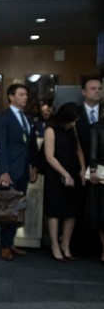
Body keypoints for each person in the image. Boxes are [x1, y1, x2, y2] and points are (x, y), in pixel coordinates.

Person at [0, 83, 39, 261]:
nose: (25, 97)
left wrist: (34, 166)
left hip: (23, 170)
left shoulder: (26, 118)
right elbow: (0, 147)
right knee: (7, 208)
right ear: (11, 97)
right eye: (21, 94)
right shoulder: (3, 118)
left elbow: (31, 145)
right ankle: (4, 245)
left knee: (17, 208)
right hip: (9, 171)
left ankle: (10, 242)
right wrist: (4, 172)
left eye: (26, 94)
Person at [43, 102, 85, 261]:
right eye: (71, 121)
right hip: (56, 174)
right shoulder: (51, 130)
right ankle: (55, 245)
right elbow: (49, 156)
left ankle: (65, 245)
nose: (73, 124)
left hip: (73, 173)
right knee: (55, 211)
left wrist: (82, 168)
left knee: (71, 211)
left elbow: (79, 150)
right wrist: (65, 174)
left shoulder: (72, 129)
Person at [74, 77, 103, 254]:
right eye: (93, 88)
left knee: (100, 208)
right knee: (80, 205)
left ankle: (98, 248)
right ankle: (79, 246)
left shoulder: (103, 113)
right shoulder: (75, 112)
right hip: (78, 165)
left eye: (99, 88)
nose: (97, 91)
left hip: (101, 168)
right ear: (84, 92)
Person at [86, 104, 104, 264]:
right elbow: (93, 151)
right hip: (101, 175)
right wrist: (92, 170)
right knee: (102, 215)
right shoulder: (96, 128)